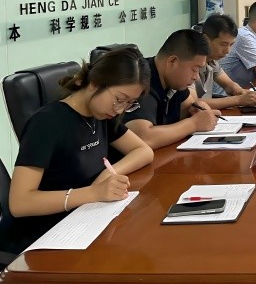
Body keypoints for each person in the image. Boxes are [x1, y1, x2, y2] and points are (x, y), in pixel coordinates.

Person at [0, 48, 154, 255]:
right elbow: (20, 203)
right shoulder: (46, 123)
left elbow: (143, 151)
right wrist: (93, 193)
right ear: (95, 83)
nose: (120, 109)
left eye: (129, 103)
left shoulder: (101, 115)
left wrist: (107, 174)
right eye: (119, 99)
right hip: (40, 238)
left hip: (82, 221)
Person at [123, 30, 219, 150]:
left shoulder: (174, 81)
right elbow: (142, 138)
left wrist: (199, 109)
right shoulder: (141, 81)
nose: (196, 77)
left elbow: (189, 107)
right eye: (194, 69)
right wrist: (194, 124)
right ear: (172, 61)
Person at [194, 14, 256, 110]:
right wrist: (239, 100)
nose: (227, 51)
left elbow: (229, 85)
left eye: (231, 45)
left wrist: (243, 93)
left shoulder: (211, 62)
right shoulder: (191, 63)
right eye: (223, 44)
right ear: (206, 39)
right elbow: (194, 103)